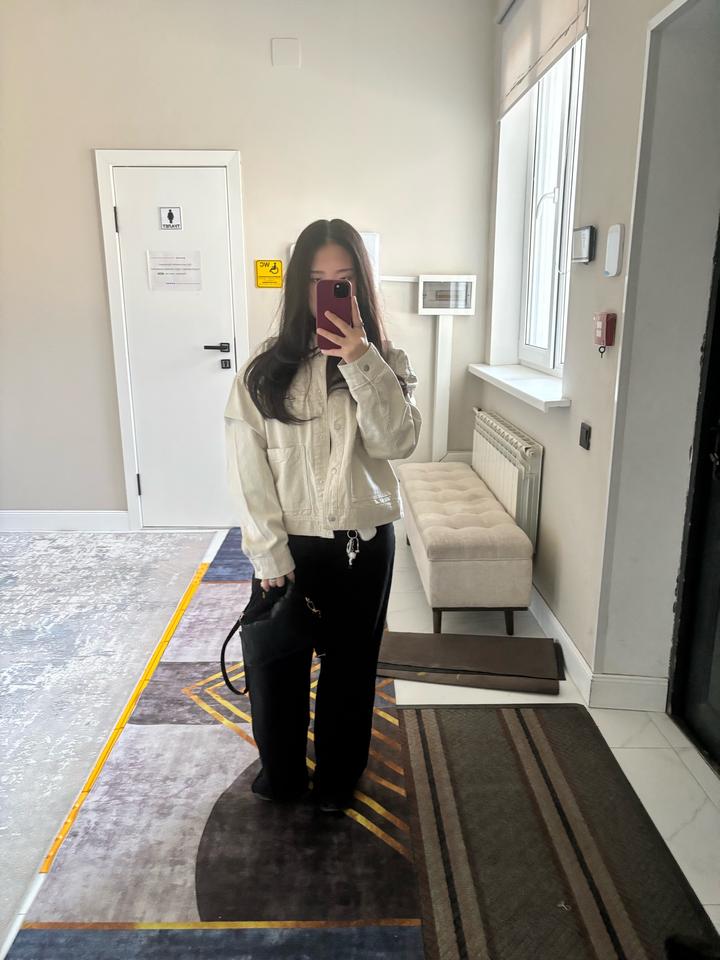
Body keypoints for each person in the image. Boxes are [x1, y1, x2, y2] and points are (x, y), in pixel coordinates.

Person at [223, 218, 422, 813]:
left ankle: (338, 779)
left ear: (360, 286)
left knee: (350, 669)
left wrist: (360, 359)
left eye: (343, 279)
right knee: (278, 668)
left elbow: (396, 443)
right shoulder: (263, 371)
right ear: (297, 287)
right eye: (316, 279)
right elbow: (248, 470)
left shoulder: (387, 362)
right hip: (290, 546)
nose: (328, 292)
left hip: (363, 542)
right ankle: (283, 776)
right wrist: (267, 552)